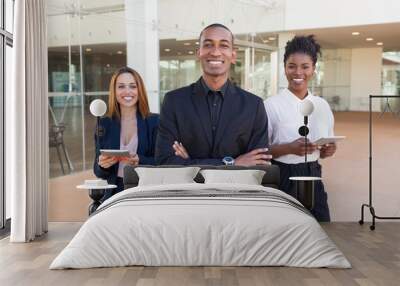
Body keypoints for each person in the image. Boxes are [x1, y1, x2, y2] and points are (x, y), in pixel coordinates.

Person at [155, 23, 271, 166]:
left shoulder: (254, 106)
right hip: (188, 188)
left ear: (233, 55)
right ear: (198, 53)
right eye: (208, 45)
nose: (215, 52)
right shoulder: (174, 101)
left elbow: (258, 166)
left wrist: (189, 163)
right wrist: (231, 164)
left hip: (236, 188)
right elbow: (165, 161)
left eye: (223, 45)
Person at [264, 35, 336, 222]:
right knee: (286, 232)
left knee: (322, 227)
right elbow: (260, 151)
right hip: (283, 176)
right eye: (292, 66)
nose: (298, 72)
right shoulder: (271, 105)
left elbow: (324, 148)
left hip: (314, 174)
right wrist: (289, 148)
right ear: (285, 68)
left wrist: (328, 150)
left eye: (305, 66)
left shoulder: (322, 105)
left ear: (313, 69)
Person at [94, 66, 159, 200]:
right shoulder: (104, 123)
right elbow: (98, 171)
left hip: (144, 189)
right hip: (114, 191)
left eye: (132, 86)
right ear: (114, 91)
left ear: (139, 90)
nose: (127, 91)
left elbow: (163, 162)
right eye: (121, 86)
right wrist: (102, 165)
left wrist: (141, 161)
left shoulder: (154, 122)